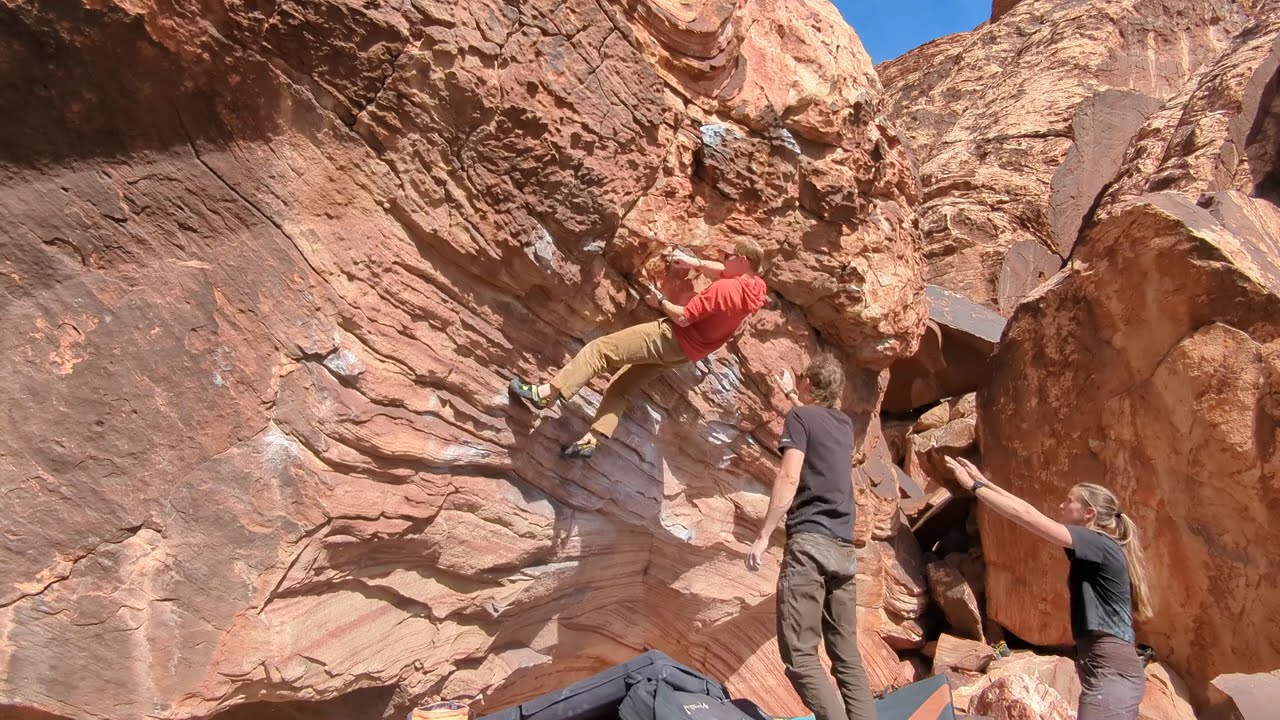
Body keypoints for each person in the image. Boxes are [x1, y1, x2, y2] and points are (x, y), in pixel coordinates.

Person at [509, 239, 768, 459]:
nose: (724, 259)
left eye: (729, 256)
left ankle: (547, 393)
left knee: (599, 351)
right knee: (621, 386)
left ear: (743, 260)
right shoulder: (755, 288)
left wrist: (661, 302)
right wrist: (697, 265)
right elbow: (723, 271)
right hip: (687, 354)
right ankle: (592, 439)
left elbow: (684, 317)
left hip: (671, 337)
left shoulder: (725, 288)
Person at [943, 457, 1154, 720]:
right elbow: (1025, 510)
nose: (1062, 505)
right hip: (1106, 666)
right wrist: (982, 482)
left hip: (1111, 670)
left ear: (1089, 514)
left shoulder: (1098, 543)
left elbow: (1027, 517)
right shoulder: (1098, 546)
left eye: (1069, 501)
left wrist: (974, 488)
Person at [745, 357, 877, 720]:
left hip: (810, 547)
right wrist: (792, 395)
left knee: (801, 657)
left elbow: (789, 477)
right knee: (847, 658)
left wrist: (763, 535)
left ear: (808, 382)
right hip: (844, 552)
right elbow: (815, 420)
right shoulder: (844, 426)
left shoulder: (799, 419)